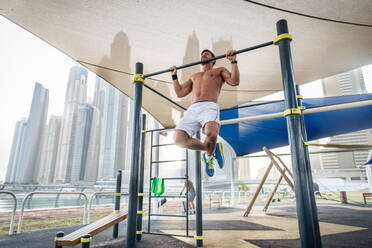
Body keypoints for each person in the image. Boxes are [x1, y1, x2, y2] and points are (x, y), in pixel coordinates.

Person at [170, 49, 240, 176]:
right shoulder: (194, 76)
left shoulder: (219, 70)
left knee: (211, 133)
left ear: (213, 60)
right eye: (202, 54)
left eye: (207, 54)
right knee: (178, 140)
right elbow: (180, 93)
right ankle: (211, 150)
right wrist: (174, 76)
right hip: (193, 108)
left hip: (209, 105)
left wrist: (233, 62)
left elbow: (234, 82)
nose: (203, 55)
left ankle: (208, 158)